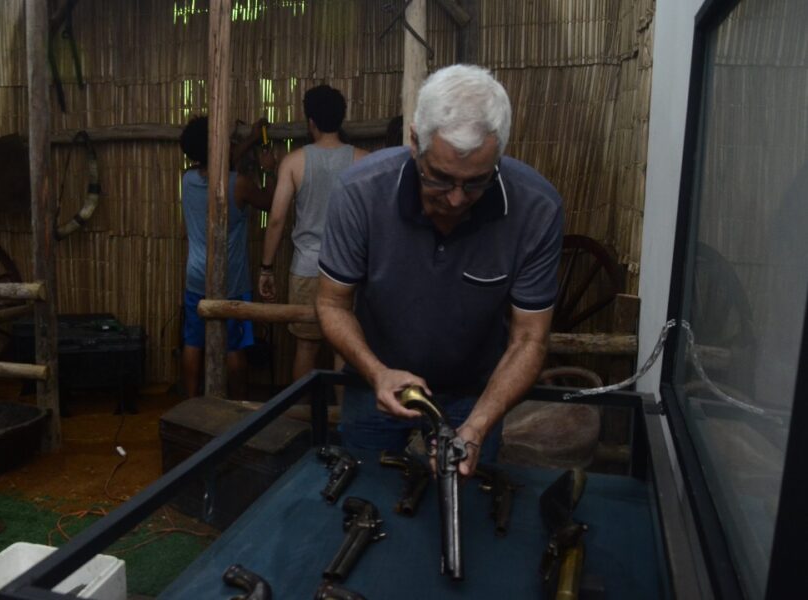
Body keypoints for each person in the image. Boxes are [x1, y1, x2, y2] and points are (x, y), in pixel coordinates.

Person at [315, 65, 564, 476]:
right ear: (415, 142)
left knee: (467, 506)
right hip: (374, 383)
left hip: (478, 392)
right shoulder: (359, 193)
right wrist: (377, 372)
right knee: (364, 489)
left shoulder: (536, 209)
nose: (455, 199)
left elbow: (529, 338)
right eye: (440, 178)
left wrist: (479, 425)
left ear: (499, 155)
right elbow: (331, 303)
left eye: (476, 183)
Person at [257, 85, 368, 381]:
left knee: (305, 347)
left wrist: (266, 268)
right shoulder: (363, 160)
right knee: (344, 349)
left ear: (311, 122)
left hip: (306, 267)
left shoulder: (294, 162)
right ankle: (343, 422)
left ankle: (298, 421)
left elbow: (277, 219)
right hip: (348, 269)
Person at [179, 116, 275, 399]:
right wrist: (269, 170)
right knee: (235, 347)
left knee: (193, 342)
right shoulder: (239, 184)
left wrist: (249, 140)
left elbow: (218, 162)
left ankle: (190, 404)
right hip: (232, 277)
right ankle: (237, 407)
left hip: (196, 275)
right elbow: (270, 203)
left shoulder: (187, 180)